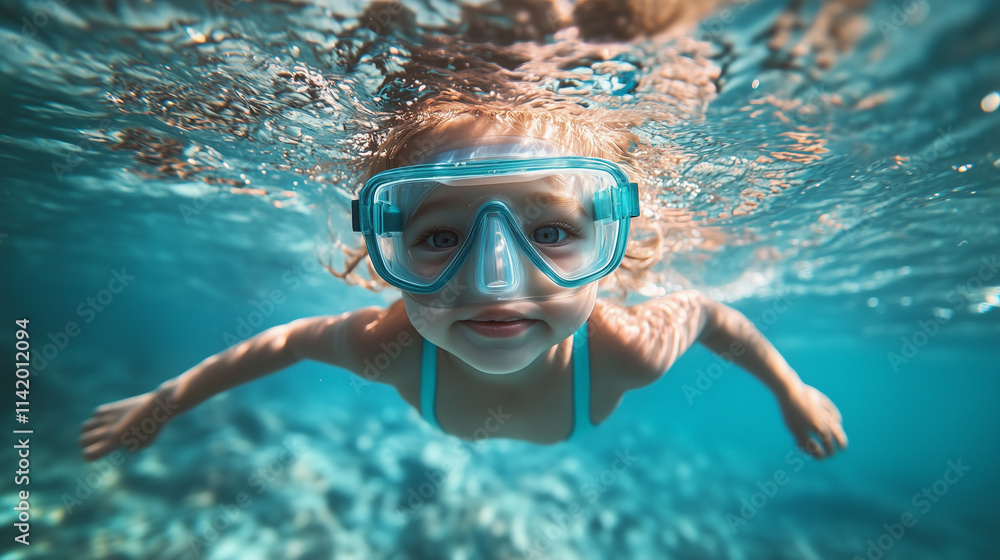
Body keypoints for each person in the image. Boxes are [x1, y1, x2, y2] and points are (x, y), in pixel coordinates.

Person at [79, 101, 847, 461]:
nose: (491, 280)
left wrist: (792, 389)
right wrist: (162, 402)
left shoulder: (625, 347)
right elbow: (282, 345)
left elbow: (713, 315)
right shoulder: (397, 342)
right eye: (440, 237)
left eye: (550, 233)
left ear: (610, 245)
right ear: (388, 251)